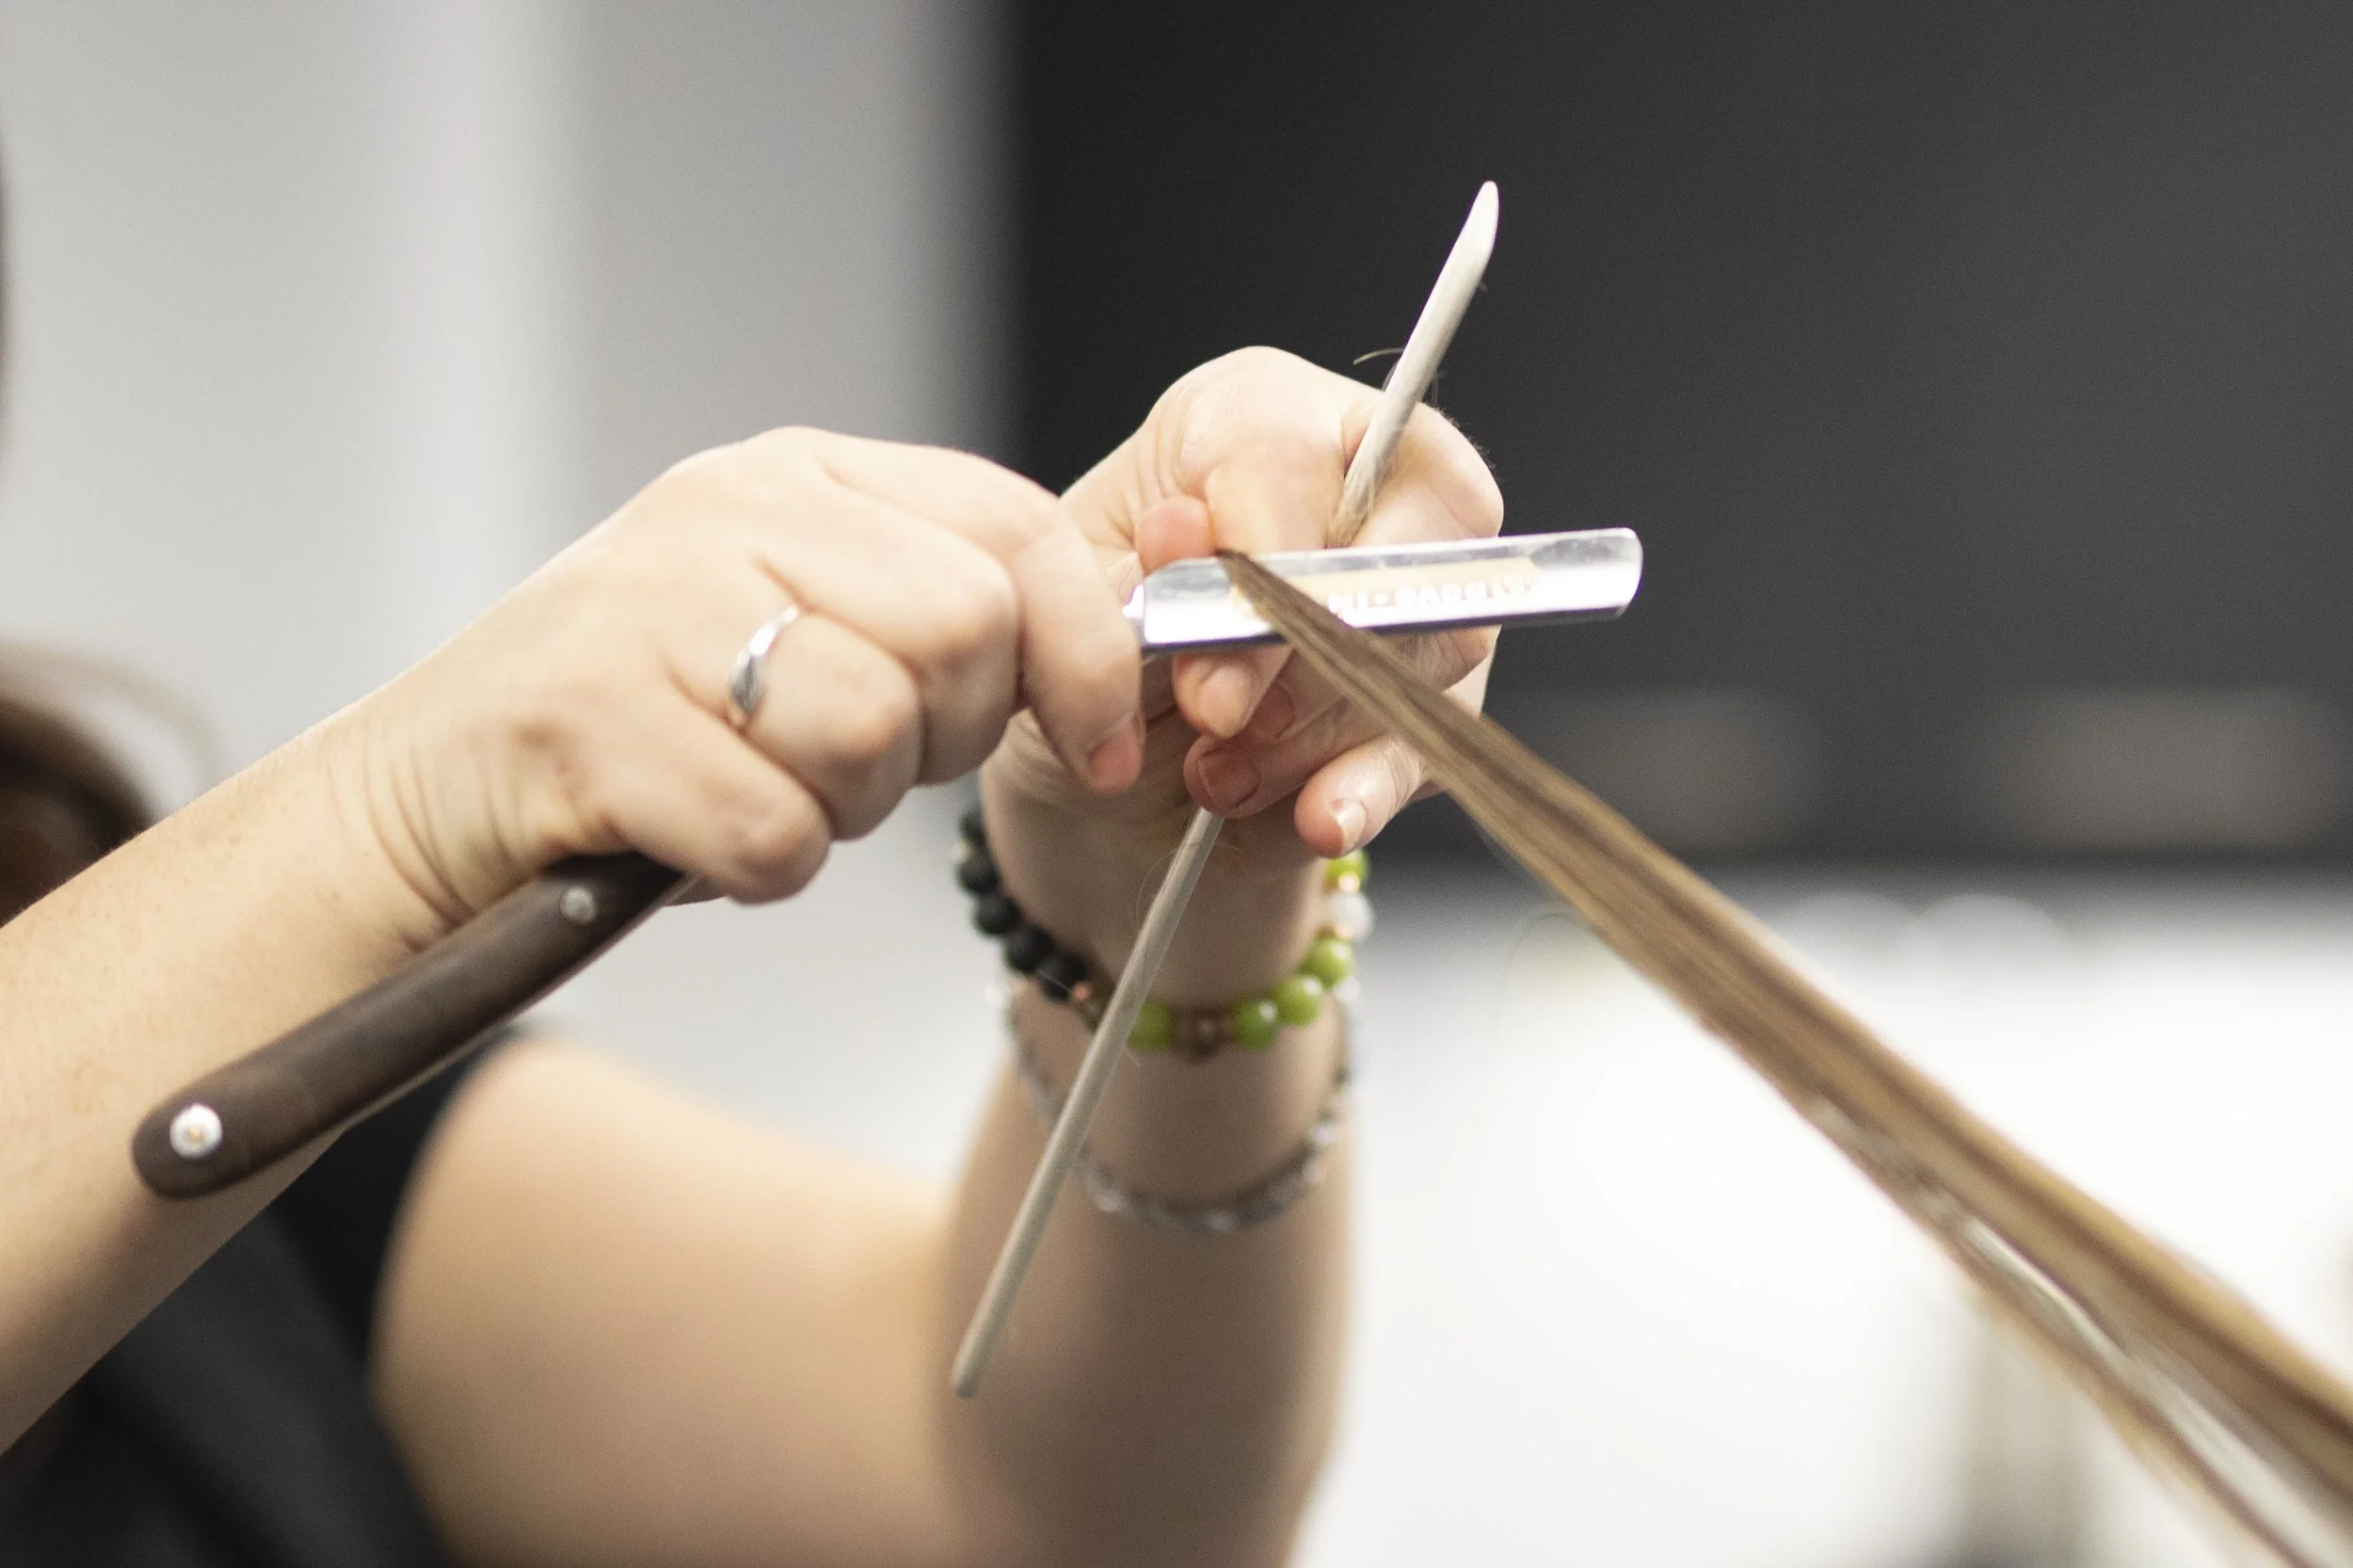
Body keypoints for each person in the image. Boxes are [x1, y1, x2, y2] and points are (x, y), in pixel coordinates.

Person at [0, 275, 1504, 1560]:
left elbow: (1031, 1499)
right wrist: (385, 810)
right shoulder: (214, 960)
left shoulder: (101, 941)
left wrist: (1156, 876)